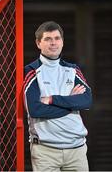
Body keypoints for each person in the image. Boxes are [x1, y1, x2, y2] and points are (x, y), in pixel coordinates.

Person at [24, 21, 92, 172]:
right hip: (46, 151)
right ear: (38, 43)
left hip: (77, 150)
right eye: (48, 39)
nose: (53, 43)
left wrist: (52, 100)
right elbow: (36, 110)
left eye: (57, 38)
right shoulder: (31, 72)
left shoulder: (73, 70)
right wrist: (71, 105)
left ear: (62, 42)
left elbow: (87, 100)